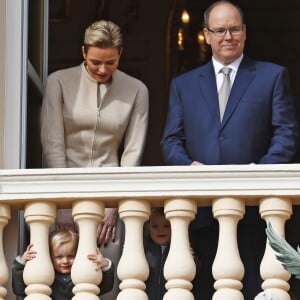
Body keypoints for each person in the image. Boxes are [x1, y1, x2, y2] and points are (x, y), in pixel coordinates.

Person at [161, 1, 299, 300]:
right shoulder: (183, 85)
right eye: (220, 30)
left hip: (255, 215)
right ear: (207, 35)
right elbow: (171, 140)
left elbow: (286, 134)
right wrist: (189, 168)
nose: (228, 36)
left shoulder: (271, 76)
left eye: (234, 29)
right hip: (200, 216)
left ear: (245, 32)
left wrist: (258, 173)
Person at [40, 19, 149, 298]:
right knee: (56, 282)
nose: (102, 69)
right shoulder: (59, 82)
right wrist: (62, 201)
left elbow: (132, 151)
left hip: (109, 199)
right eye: (95, 62)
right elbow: (53, 143)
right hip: (62, 193)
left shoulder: (137, 89)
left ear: (120, 54)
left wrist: (113, 203)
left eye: (110, 62)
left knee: (105, 282)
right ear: (83, 52)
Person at [12, 229, 114, 299]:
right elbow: (19, 290)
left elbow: (105, 287)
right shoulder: (44, 275)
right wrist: (22, 263)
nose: (65, 261)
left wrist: (105, 265)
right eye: (59, 257)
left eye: (71, 256)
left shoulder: (83, 274)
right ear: (49, 257)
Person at [144, 207, 200, 300]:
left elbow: (195, 272)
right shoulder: (145, 250)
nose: (160, 230)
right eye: (155, 226)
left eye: (166, 225)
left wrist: (192, 259)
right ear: (148, 228)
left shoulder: (179, 249)